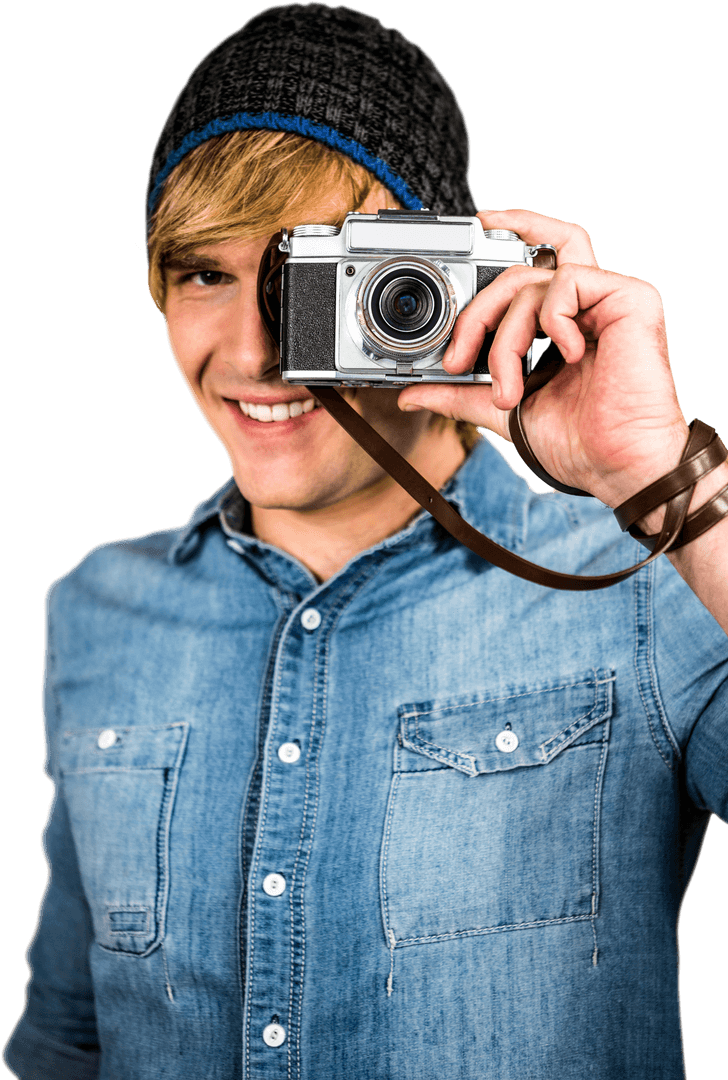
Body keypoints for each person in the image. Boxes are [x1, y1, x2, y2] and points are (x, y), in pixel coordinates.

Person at [4, 4, 727, 1078]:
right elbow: (64, 1042)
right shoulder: (96, 609)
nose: (258, 351)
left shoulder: (649, 583)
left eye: (312, 283)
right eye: (205, 271)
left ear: (445, 279)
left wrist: (658, 474)